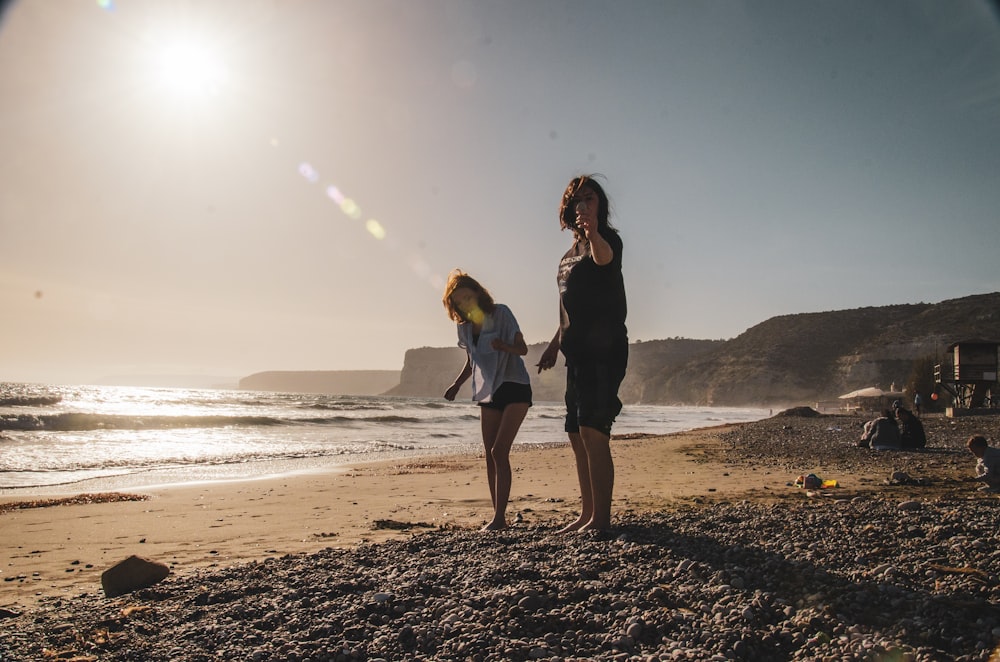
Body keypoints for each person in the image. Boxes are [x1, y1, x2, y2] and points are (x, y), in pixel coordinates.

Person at [537, 175, 628, 533]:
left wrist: (593, 235)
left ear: (599, 203)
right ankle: (587, 513)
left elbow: (605, 261)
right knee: (576, 435)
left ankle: (601, 521)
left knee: (594, 430)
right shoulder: (566, 257)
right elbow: (567, 307)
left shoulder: (607, 242)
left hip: (605, 352)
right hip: (575, 354)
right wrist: (554, 344)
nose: (581, 205)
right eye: (575, 200)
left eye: (588, 199)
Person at [442, 270, 532, 530]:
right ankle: (498, 517)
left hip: (515, 386)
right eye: (459, 301)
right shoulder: (465, 327)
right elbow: (472, 362)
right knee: (489, 456)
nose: (465, 303)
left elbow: (523, 349)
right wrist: (456, 385)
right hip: (488, 391)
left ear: (478, 294)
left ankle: (499, 518)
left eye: (468, 297)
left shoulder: (501, 313)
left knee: (499, 451)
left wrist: (505, 347)